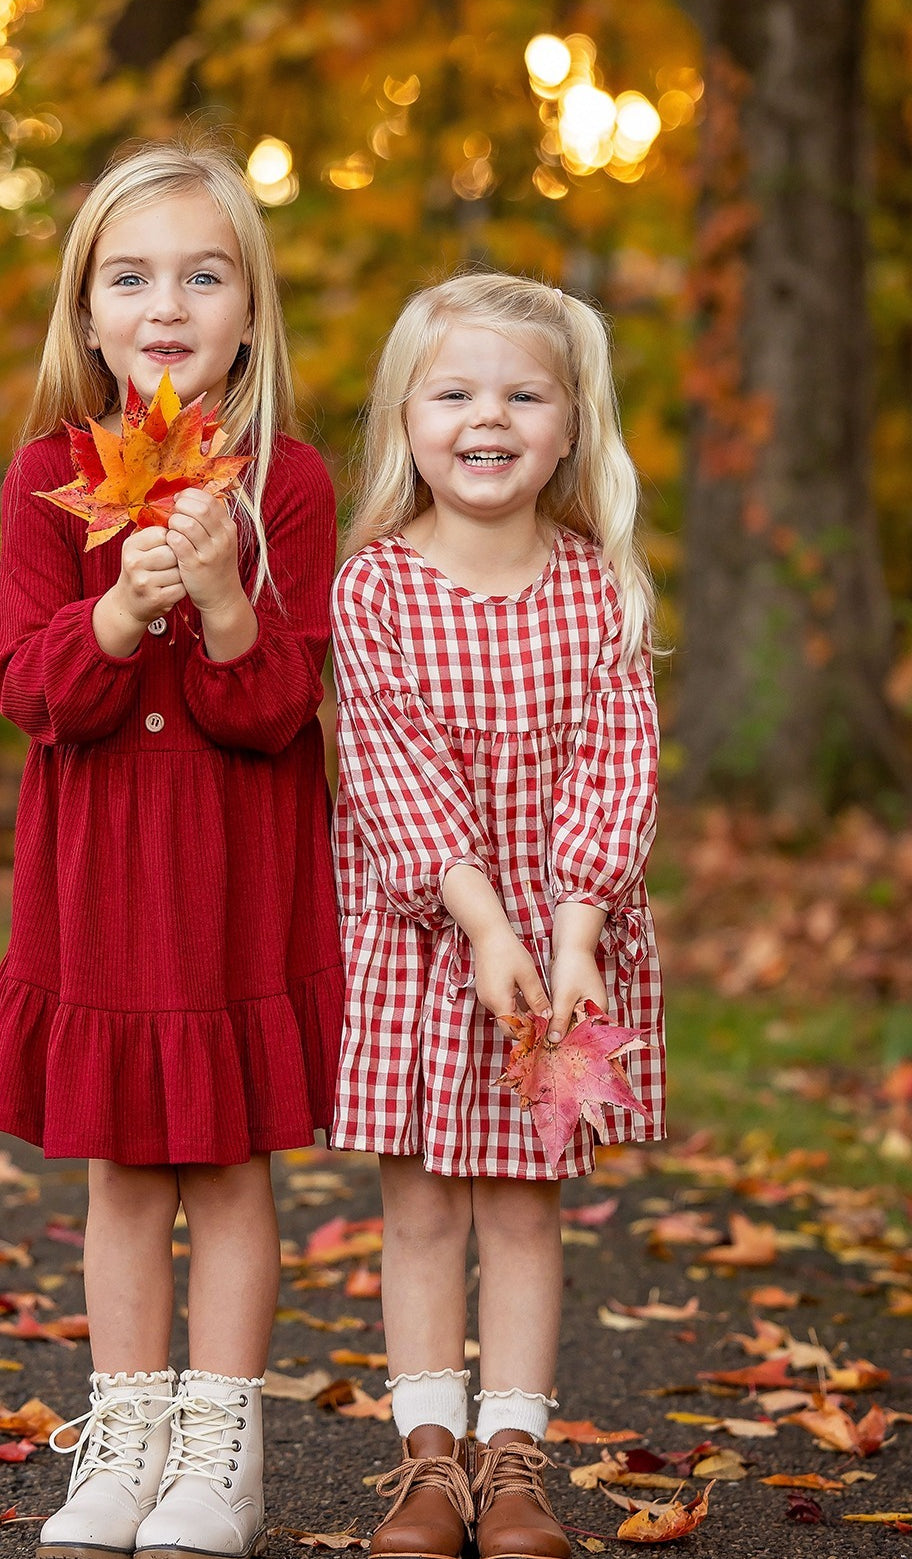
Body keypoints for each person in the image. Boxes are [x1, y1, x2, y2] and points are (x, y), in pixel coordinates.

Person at [0, 139, 344, 1559]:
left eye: (202, 273)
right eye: (129, 276)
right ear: (86, 312)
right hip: (102, 869)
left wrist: (230, 603)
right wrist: (121, 608)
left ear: (250, 307)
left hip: (235, 870)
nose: (165, 303)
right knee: (122, 1165)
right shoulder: (47, 478)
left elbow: (280, 713)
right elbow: (27, 687)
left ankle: (219, 1446)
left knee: (232, 1158)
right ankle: (124, 1432)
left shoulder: (287, 483)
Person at [330, 273, 664, 1559]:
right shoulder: (376, 590)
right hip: (425, 941)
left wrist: (573, 930)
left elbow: (617, 767)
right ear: (406, 420)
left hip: (565, 952)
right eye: (457, 391)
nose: (490, 416)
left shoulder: (601, 590)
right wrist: (481, 922)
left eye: (525, 393)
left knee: (527, 1204)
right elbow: (392, 769)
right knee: (417, 1203)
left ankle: (515, 1461)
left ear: (572, 426)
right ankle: (428, 1465)